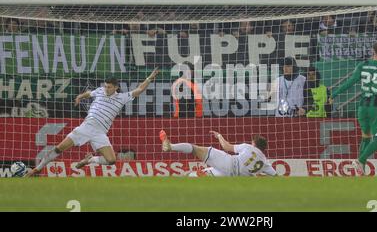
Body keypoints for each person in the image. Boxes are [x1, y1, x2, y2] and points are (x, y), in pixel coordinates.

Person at [25, 68, 160, 177]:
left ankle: (90, 160)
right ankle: (37, 169)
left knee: (111, 160)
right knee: (59, 148)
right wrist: (79, 96)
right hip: (86, 127)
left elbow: (139, 90)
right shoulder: (100, 91)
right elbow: (89, 93)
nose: (106, 89)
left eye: (109, 87)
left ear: (116, 87)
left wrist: (149, 78)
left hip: (100, 132)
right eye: (106, 86)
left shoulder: (122, 98)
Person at [329, 41, 377, 176]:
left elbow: (350, 82)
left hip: (362, 108)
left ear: (373, 51)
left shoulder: (363, 65)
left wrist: (334, 94)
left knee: (366, 137)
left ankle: (361, 170)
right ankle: (360, 160)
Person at [159, 130, 277, 177]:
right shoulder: (265, 163)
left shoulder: (248, 147)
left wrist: (219, 136)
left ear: (254, 144)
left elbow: (226, 146)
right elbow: (276, 177)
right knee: (198, 176)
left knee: (195, 149)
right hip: (232, 177)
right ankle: (198, 175)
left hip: (228, 163)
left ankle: (171, 146)